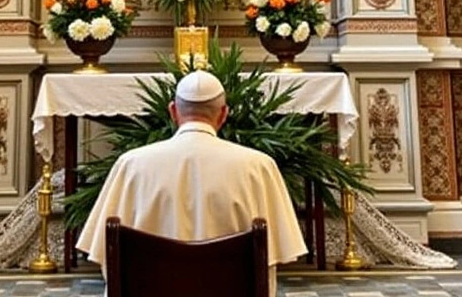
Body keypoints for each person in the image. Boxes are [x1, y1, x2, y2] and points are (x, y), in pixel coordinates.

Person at [76, 70, 306, 297]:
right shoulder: (260, 166)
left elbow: (105, 253)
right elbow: (280, 253)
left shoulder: (130, 165)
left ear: (173, 112)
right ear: (224, 114)